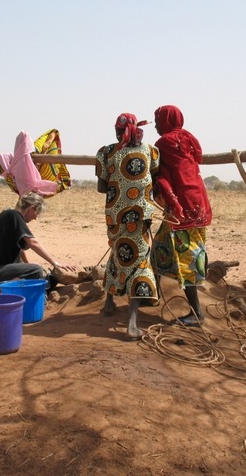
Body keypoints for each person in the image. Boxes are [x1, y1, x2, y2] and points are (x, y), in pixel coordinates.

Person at [95, 113, 160, 340]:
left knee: (117, 252)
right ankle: (132, 325)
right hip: (139, 216)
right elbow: (153, 176)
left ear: (117, 131)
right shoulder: (150, 151)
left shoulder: (105, 152)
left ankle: (109, 303)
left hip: (114, 215)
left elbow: (102, 188)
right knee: (138, 262)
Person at [151, 105, 212, 327]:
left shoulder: (164, 143)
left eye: (157, 120)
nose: (156, 124)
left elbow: (162, 174)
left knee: (188, 259)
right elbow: (198, 159)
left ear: (166, 120)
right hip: (198, 203)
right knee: (159, 246)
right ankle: (152, 296)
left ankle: (197, 314)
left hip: (182, 207)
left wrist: (168, 198)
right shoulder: (190, 138)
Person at [0, 191, 75, 295]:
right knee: (37, 270)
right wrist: (55, 263)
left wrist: (27, 266)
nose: (35, 218)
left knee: (28, 269)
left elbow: (20, 249)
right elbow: (33, 242)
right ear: (31, 208)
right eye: (36, 213)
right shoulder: (14, 216)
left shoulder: (9, 216)